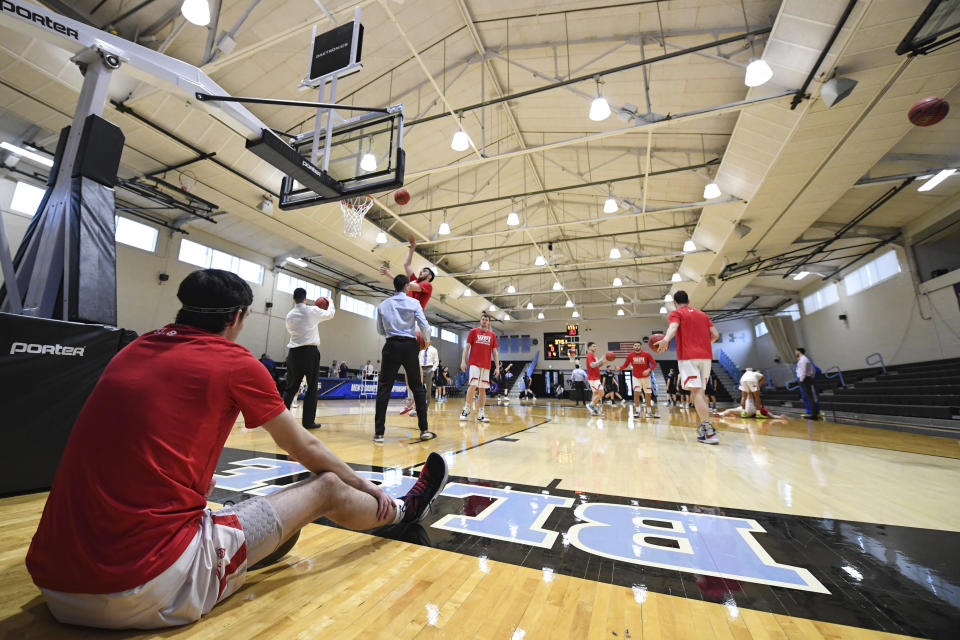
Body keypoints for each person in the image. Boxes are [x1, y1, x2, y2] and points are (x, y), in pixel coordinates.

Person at [24, 269, 449, 630]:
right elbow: (302, 443)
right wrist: (365, 484)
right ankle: (402, 509)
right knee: (326, 487)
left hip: (53, 580)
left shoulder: (132, 349)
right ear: (238, 318)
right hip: (141, 587)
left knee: (223, 499)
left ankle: (233, 551)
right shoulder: (234, 361)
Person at [653, 290, 720, 445]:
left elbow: (673, 327)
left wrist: (665, 340)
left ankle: (709, 430)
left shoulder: (677, 313)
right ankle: (705, 429)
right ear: (688, 301)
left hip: (688, 357)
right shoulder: (702, 315)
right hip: (705, 357)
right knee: (700, 392)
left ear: (675, 303)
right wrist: (704, 345)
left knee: (695, 392)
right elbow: (715, 334)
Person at [374, 275, 436, 443]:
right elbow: (423, 324)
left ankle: (379, 433)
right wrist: (427, 339)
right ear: (407, 286)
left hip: (391, 345)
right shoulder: (414, 303)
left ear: (394, 286)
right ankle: (424, 429)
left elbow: (380, 329)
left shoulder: (383, 304)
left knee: (384, 388)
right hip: (409, 346)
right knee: (417, 387)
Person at [282, 287, 335, 429]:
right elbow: (330, 314)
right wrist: (330, 300)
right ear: (305, 298)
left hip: (293, 353)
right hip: (310, 353)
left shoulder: (289, 315)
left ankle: (282, 420)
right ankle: (308, 422)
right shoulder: (312, 310)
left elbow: (291, 329)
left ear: (294, 298)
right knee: (312, 387)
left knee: (291, 387)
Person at [460, 313, 500, 424]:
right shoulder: (473, 332)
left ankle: (481, 413)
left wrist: (497, 367)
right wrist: (463, 361)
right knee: (473, 385)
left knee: (482, 389)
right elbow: (467, 347)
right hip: (474, 363)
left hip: (486, 365)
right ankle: (466, 408)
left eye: (486, 320)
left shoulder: (492, 335)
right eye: (483, 319)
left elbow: (495, 352)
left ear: (489, 322)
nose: (484, 321)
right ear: (480, 321)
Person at [619, 342, 658, 419]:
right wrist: (619, 368)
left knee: (648, 394)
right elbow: (625, 365)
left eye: (638, 345)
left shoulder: (647, 354)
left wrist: (649, 370)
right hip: (636, 377)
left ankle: (649, 411)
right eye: (635, 345)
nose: (637, 347)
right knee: (636, 394)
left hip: (646, 377)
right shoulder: (630, 355)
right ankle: (637, 411)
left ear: (641, 346)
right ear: (633, 347)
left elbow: (654, 364)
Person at [410, 340, 439, 417]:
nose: (426, 341)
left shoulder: (434, 350)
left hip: (429, 368)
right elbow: (417, 359)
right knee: (418, 388)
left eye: (428, 339)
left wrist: (433, 370)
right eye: (425, 339)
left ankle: (425, 409)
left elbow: (436, 362)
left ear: (431, 341)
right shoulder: (421, 349)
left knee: (428, 390)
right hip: (420, 369)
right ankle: (416, 408)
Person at [795, 347, 821, 420]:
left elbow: (803, 372)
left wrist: (801, 380)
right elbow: (812, 371)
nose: (795, 353)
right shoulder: (804, 359)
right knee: (808, 397)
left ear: (799, 352)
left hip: (805, 380)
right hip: (806, 380)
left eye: (796, 352)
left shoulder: (803, 360)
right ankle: (813, 413)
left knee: (810, 398)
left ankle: (814, 414)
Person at [584, 342, 606, 416]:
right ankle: (591, 405)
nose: (595, 348)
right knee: (602, 393)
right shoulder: (589, 355)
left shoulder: (593, 355)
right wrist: (600, 360)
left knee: (596, 393)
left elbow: (595, 366)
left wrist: (602, 364)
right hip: (594, 378)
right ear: (589, 347)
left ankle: (593, 410)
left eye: (595, 346)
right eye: (593, 346)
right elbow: (592, 365)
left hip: (594, 378)